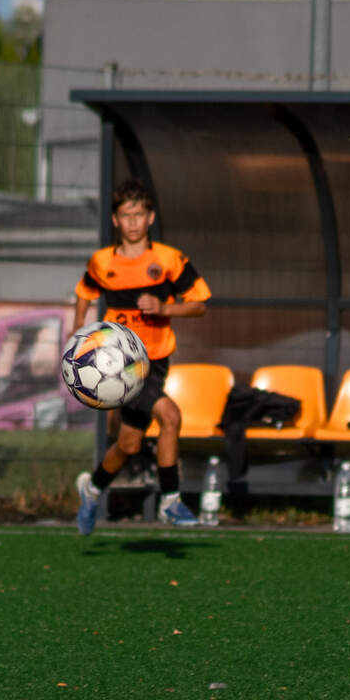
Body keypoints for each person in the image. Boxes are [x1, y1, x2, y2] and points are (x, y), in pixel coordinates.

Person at [72, 179, 210, 534]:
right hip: (119, 361)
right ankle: (170, 501)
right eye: (125, 215)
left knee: (129, 444)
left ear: (150, 218)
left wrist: (164, 307)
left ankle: (92, 489)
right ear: (115, 220)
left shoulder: (168, 259)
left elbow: (199, 304)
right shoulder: (102, 262)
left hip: (157, 359)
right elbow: (85, 292)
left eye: (138, 215)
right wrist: (78, 334)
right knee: (171, 416)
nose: (132, 222)